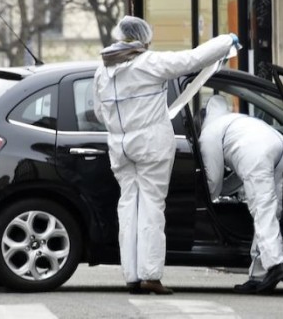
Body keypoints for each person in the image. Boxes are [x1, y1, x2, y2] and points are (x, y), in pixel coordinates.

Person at [93, 16, 238, 295]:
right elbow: (192, 60)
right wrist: (226, 42)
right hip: (150, 144)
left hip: (120, 146)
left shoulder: (103, 69)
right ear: (142, 38)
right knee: (151, 207)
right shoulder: (147, 63)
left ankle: (132, 274)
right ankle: (150, 274)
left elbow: (100, 112)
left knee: (128, 207)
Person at [198, 94, 283, 294]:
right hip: (281, 147)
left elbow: (213, 181)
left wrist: (207, 195)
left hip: (257, 153)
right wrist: (225, 189)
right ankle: (258, 276)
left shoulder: (208, 134)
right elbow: (239, 174)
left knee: (262, 210)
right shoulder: (234, 121)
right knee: (270, 212)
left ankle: (276, 264)